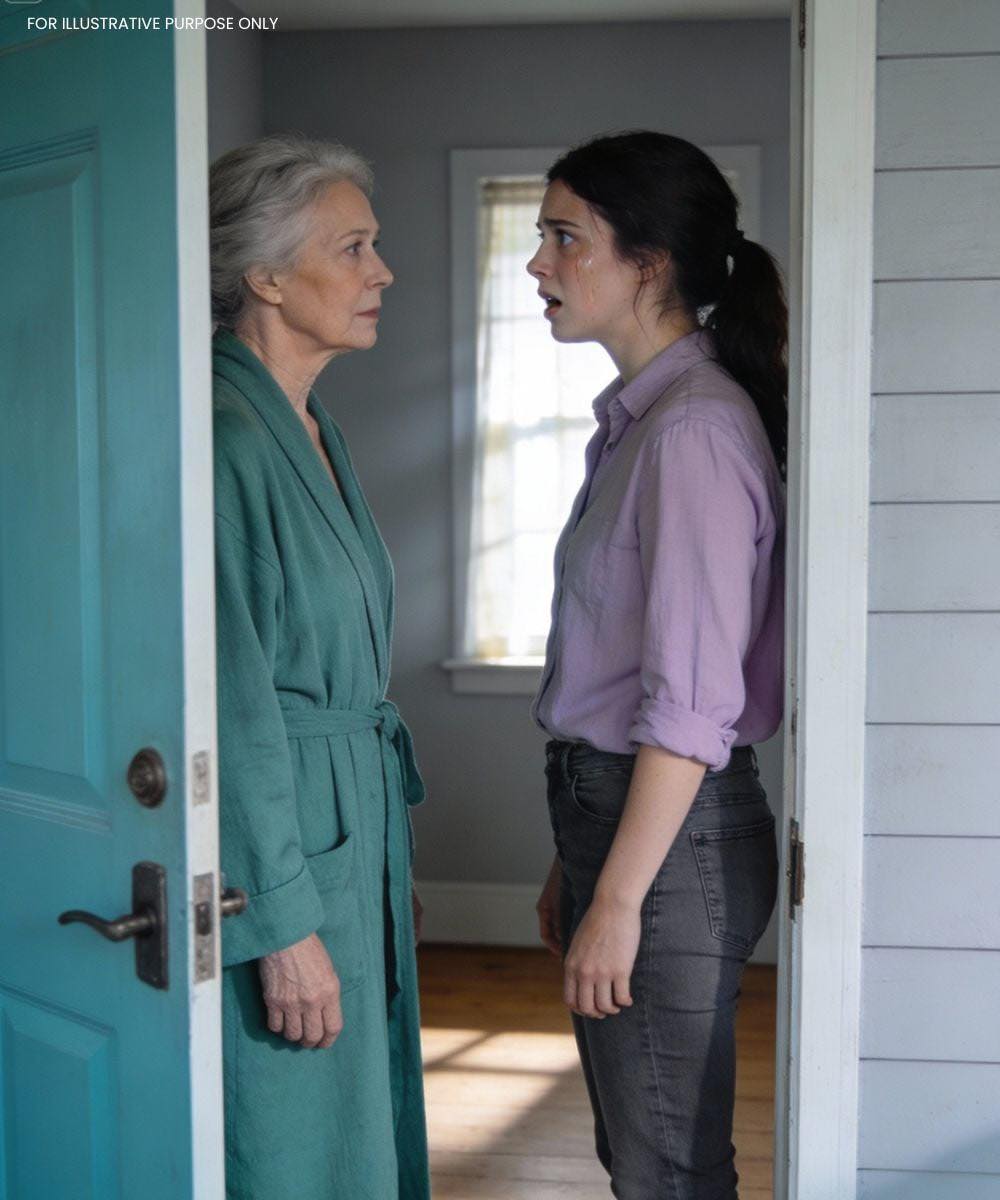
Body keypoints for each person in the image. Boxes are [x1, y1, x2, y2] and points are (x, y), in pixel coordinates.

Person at [528, 131, 785, 1199]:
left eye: (564, 237)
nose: (538, 263)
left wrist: (620, 897)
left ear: (650, 262)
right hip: (629, 824)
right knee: (646, 1156)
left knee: (667, 1170)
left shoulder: (690, 433)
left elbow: (690, 705)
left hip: (668, 846)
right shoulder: (644, 424)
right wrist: (581, 864)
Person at [210, 134, 429, 1200]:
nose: (382, 270)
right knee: (289, 1130)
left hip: (344, 819)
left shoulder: (307, 424)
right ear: (264, 274)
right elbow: (228, 706)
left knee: (353, 1117)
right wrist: (280, 922)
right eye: (354, 247)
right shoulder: (224, 439)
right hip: (281, 843)